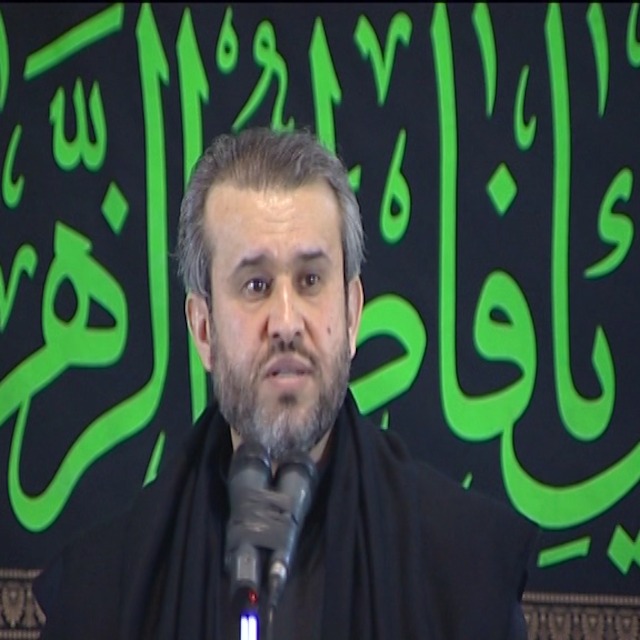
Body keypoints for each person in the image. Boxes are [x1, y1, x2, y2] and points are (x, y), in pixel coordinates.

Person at [34, 127, 537, 639]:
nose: (287, 322)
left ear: (352, 314)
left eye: (310, 280)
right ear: (203, 330)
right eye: (256, 285)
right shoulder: (101, 593)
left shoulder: (463, 571)